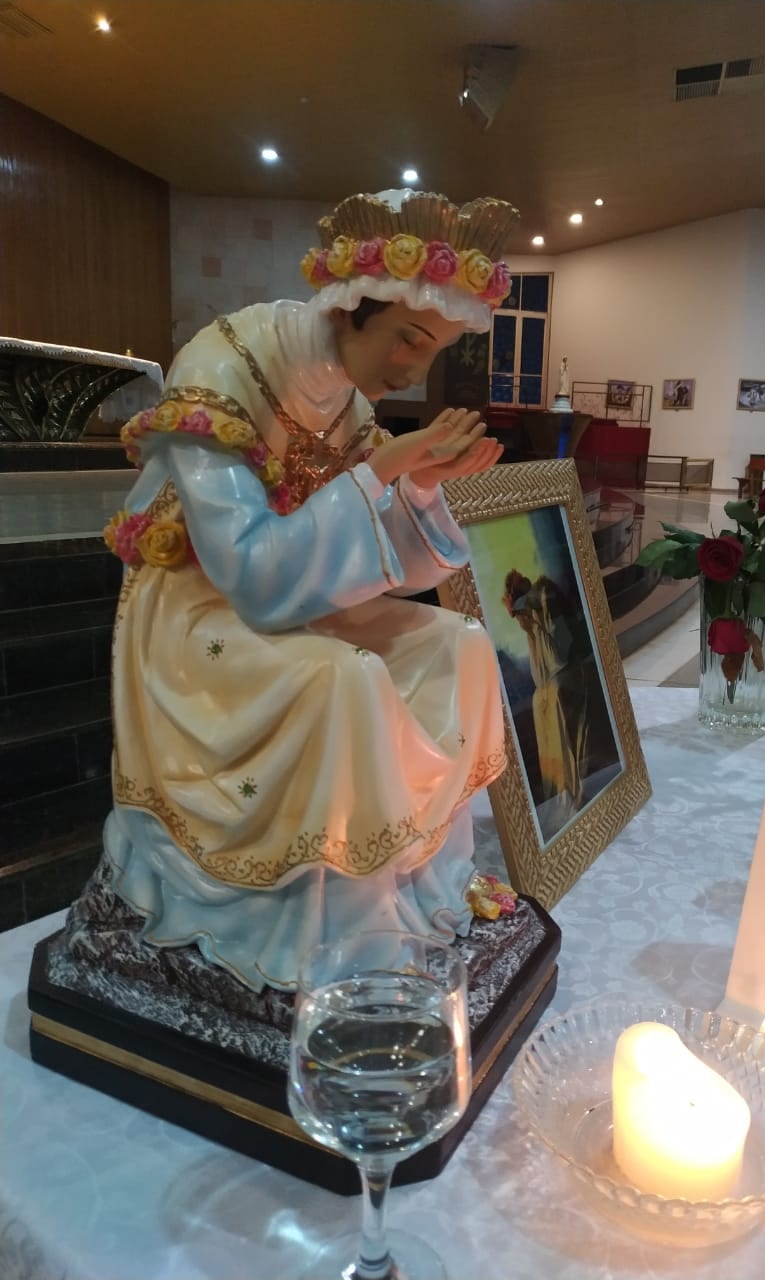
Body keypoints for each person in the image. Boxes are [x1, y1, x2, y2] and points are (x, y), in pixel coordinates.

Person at [90, 188, 519, 992]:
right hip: (198, 608)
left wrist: (421, 484)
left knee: (456, 643)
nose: (412, 371)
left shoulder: (346, 396)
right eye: (407, 340)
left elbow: (382, 557)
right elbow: (251, 577)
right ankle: (329, 919)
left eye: (432, 351)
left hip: (298, 594)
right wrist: (384, 467)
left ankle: (416, 880)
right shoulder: (222, 370)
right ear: (351, 308)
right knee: (340, 676)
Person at [502, 568, 589, 836]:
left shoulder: (544, 596)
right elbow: (539, 670)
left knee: (565, 747)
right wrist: (529, 627)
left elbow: (557, 657)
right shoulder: (533, 611)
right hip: (549, 686)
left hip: (562, 678)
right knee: (550, 748)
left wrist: (533, 622)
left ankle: (570, 802)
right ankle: (560, 804)